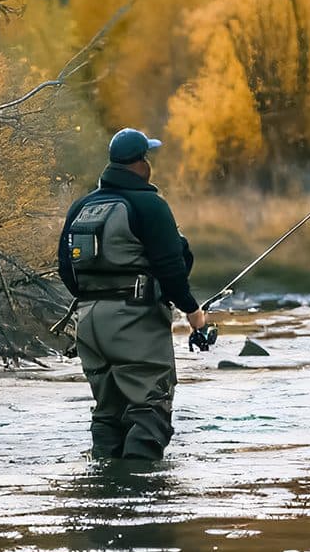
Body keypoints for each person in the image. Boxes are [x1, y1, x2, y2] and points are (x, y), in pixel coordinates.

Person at [57, 127, 206, 461]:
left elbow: (66, 270)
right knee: (149, 410)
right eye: (147, 157)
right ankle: (139, 495)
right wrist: (193, 315)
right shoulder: (149, 204)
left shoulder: (81, 206)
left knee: (109, 412)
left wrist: (98, 300)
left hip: (89, 324)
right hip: (135, 321)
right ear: (139, 163)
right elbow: (171, 269)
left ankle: (104, 492)